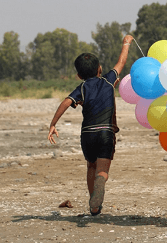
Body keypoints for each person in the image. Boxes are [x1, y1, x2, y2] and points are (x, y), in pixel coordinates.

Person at [47, 34, 134, 216]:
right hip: (106, 132)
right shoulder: (109, 79)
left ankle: (94, 203)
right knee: (102, 171)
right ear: (100, 69)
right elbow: (121, 62)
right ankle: (101, 182)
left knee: (91, 166)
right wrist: (126, 42)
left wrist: (53, 124)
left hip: (87, 134)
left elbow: (65, 102)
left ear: (79, 75)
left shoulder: (82, 88)